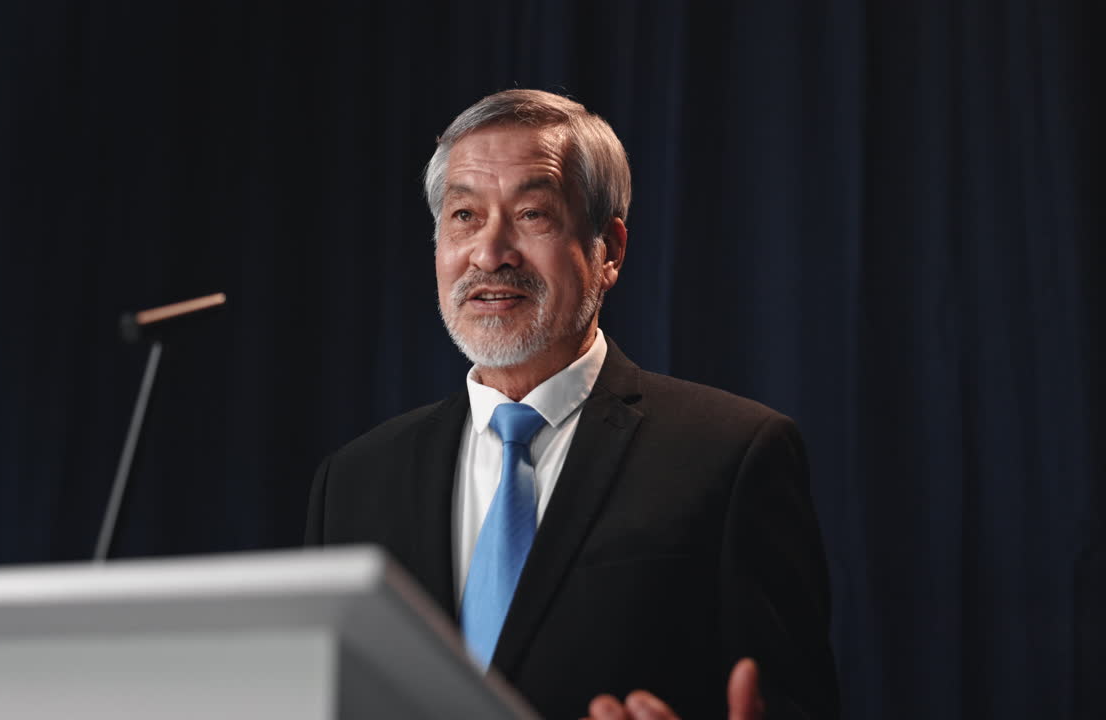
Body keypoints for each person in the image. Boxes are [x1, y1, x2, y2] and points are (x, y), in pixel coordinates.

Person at [305, 89, 838, 720]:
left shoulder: (733, 454)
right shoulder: (354, 480)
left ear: (608, 250)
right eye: (464, 216)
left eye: (532, 214)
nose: (490, 253)